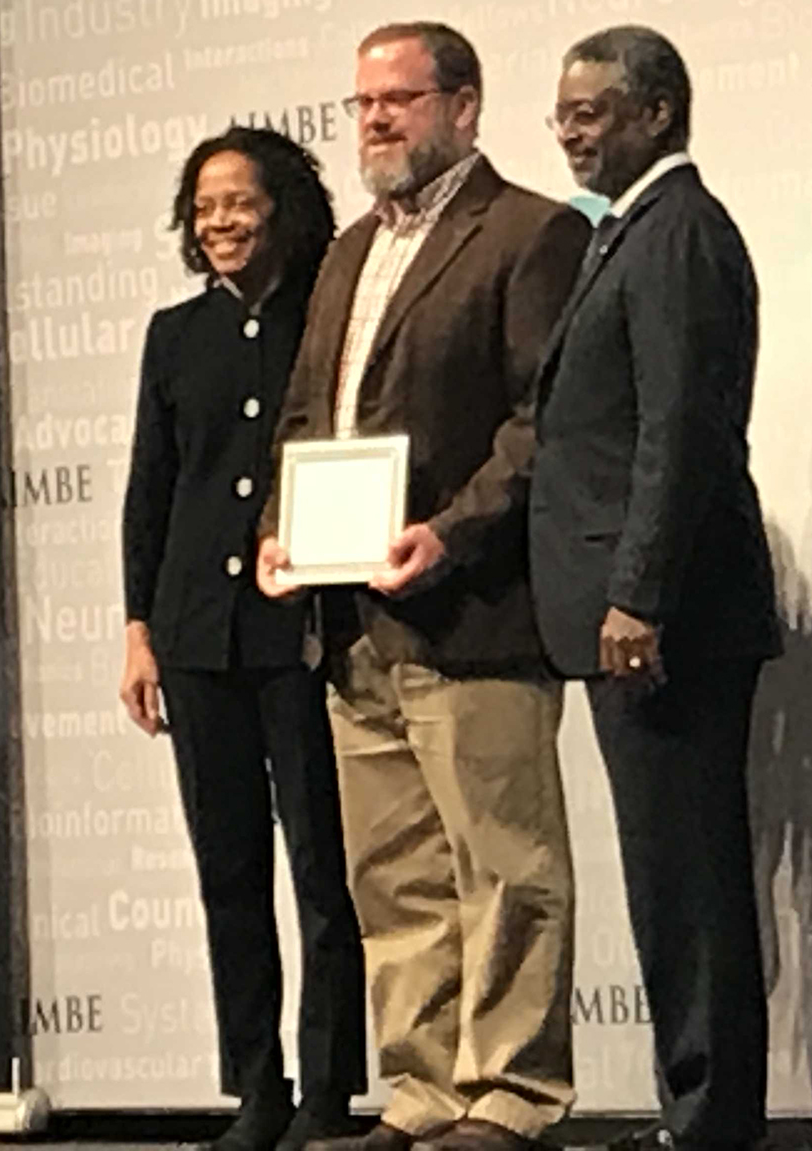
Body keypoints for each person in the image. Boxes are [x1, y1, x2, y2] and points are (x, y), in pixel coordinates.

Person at [256, 22, 590, 1151]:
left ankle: (512, 1091)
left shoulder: (531, 233)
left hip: (475, 612)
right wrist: (278, 536)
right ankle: (424, 1088)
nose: (376, 120)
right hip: (354, 620)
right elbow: (309, 417)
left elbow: (546, 420)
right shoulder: (348, 251)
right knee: (394, 871)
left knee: (504, 863)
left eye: (399, 98)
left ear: (464, 105)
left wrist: (449, 535)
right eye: (360, 103)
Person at [529, 26, 782, 1151]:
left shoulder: (678, 232)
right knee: (669, 874)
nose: (570, 132)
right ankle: (696, 1111)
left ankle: (711, 1118)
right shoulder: (631, 231)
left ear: (658, 113)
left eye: (590, 112)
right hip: (640, 610)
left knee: (689, 875)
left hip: (664, 619)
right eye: (564, 114)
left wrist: (636, 596)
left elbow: (680, 433)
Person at [120, 126, 366, 1151]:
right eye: (204, 206)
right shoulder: (175, 335)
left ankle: (327, 1093)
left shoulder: (331, 315)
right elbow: (151, 494)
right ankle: (255, 1086)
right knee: (229, 868)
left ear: (284, 210)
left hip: (299, 633)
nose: (220, 221)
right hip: (194, 634)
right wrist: (138, 630)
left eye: (239, 202)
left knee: (323, 868)